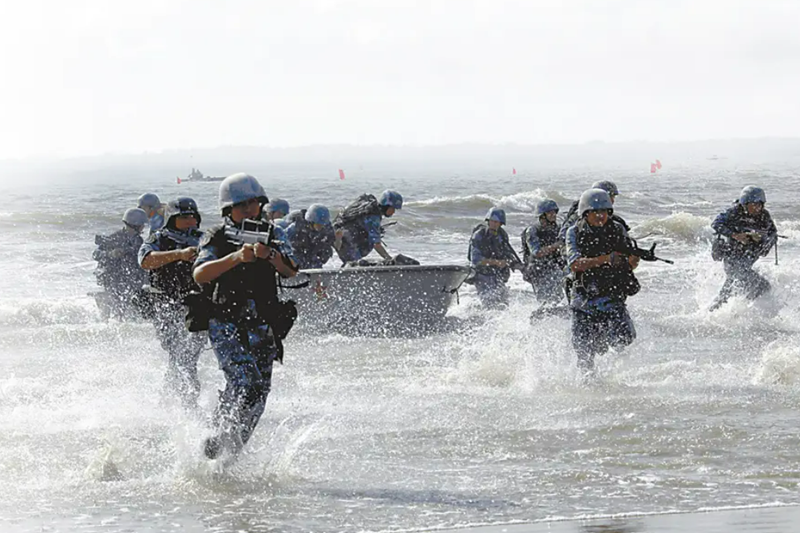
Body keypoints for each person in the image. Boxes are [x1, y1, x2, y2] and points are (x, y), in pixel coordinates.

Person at [192, 173, 298, 460]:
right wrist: (236, 258)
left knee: (259, 395)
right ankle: (217, 431)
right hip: (227, 320)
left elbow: (291, 270)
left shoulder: (274, 233)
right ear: (229, 210)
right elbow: (200, 274)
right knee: (245, 383)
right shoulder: (217, 236)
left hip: (263, 323)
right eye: (242, 206)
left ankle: (231, 453)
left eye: (254, 204)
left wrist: (271, 256)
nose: (250, 210)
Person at [139, 197, 206, 410]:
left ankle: (185, 402)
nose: (189, 222)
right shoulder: (159, 238)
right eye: (183, 218)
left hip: (196, 306)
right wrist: (178, 255)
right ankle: (175, 402)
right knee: (176, 354)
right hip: (166, 305)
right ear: (172, 219)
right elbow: (145, 260)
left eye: (192, 217)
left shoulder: (204, 239)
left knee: (187, 357)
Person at [566, 189, 640, 373]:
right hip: (584, 300)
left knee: (626, 337)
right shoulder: (574, 232)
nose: (600, 216)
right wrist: (606, 259)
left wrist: (631, 261)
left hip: (611, 295)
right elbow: (575, 264)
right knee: (584, 352)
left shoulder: (617, 229)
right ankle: (588, 389)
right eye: (595, 212)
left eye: (604, 212)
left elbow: (629, 263)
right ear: (585, 213)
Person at [709, 186, 777, 311]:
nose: (757, 208)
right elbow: (716, 224)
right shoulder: (733, 212)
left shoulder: (764, 216)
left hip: (749, 254)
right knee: (749, 281)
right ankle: (716, 310)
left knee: (754, 285)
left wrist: (763, 241)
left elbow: (773, 234)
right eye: (753, 205)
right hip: (731, 253)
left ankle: (738, 310)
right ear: (745, 204)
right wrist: (735, 235)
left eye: (759, 205)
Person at [93, 208, 149, 318]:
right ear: (136, 224)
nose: (143, 227)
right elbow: (95, 254)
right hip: (115, 279)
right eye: (142, 224)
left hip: (131, 279)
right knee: (119, 312)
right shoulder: (114, 238)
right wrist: (111, 254)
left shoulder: (138, 240)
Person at [468, 207, 521, 308]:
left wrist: (515, 264)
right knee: (490, 304)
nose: (494, 224)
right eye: (492, 221)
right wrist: (496, 262)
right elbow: (476, 260)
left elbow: (507, 252)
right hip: (482, 274)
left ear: (501, 224)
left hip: (497, 275)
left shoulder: (502, 235)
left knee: (504, 304)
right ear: (488, 221)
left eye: (497, 222)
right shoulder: (479, 235)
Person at [333, 190, 403, 264]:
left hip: (341, 234)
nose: (393, 212)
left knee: (352, 263)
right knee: (355, 265)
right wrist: (390, 260)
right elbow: (377, 245)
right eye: (393, 208)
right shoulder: (373, 217)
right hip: (347, 239)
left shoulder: (367, 208)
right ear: (386, 206)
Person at [521, 199, 565, 304]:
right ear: (542, 215)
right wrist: (556, 245)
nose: (553, 215)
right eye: (550, 213)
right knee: (545, 300)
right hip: (538, 270)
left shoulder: (557, 228)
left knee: (558, 298)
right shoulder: (532, 230)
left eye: (554, 212)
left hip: (553, 267)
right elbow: (537, 252)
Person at [558, 180, 629, 244]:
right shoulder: (579, 216)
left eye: (613, 197)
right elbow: (563, 238)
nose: (612, 200)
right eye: (609, 196)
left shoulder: (617, 221)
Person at [285, 204, 335, 269]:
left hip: (313, 250)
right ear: (311, 221)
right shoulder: (294, 228)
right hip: (297, 250)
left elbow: (331, 239)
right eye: (318, 224)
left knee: (327, 251)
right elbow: (283, 242)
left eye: (323, 224)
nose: (321, 226)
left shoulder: (326, 227)